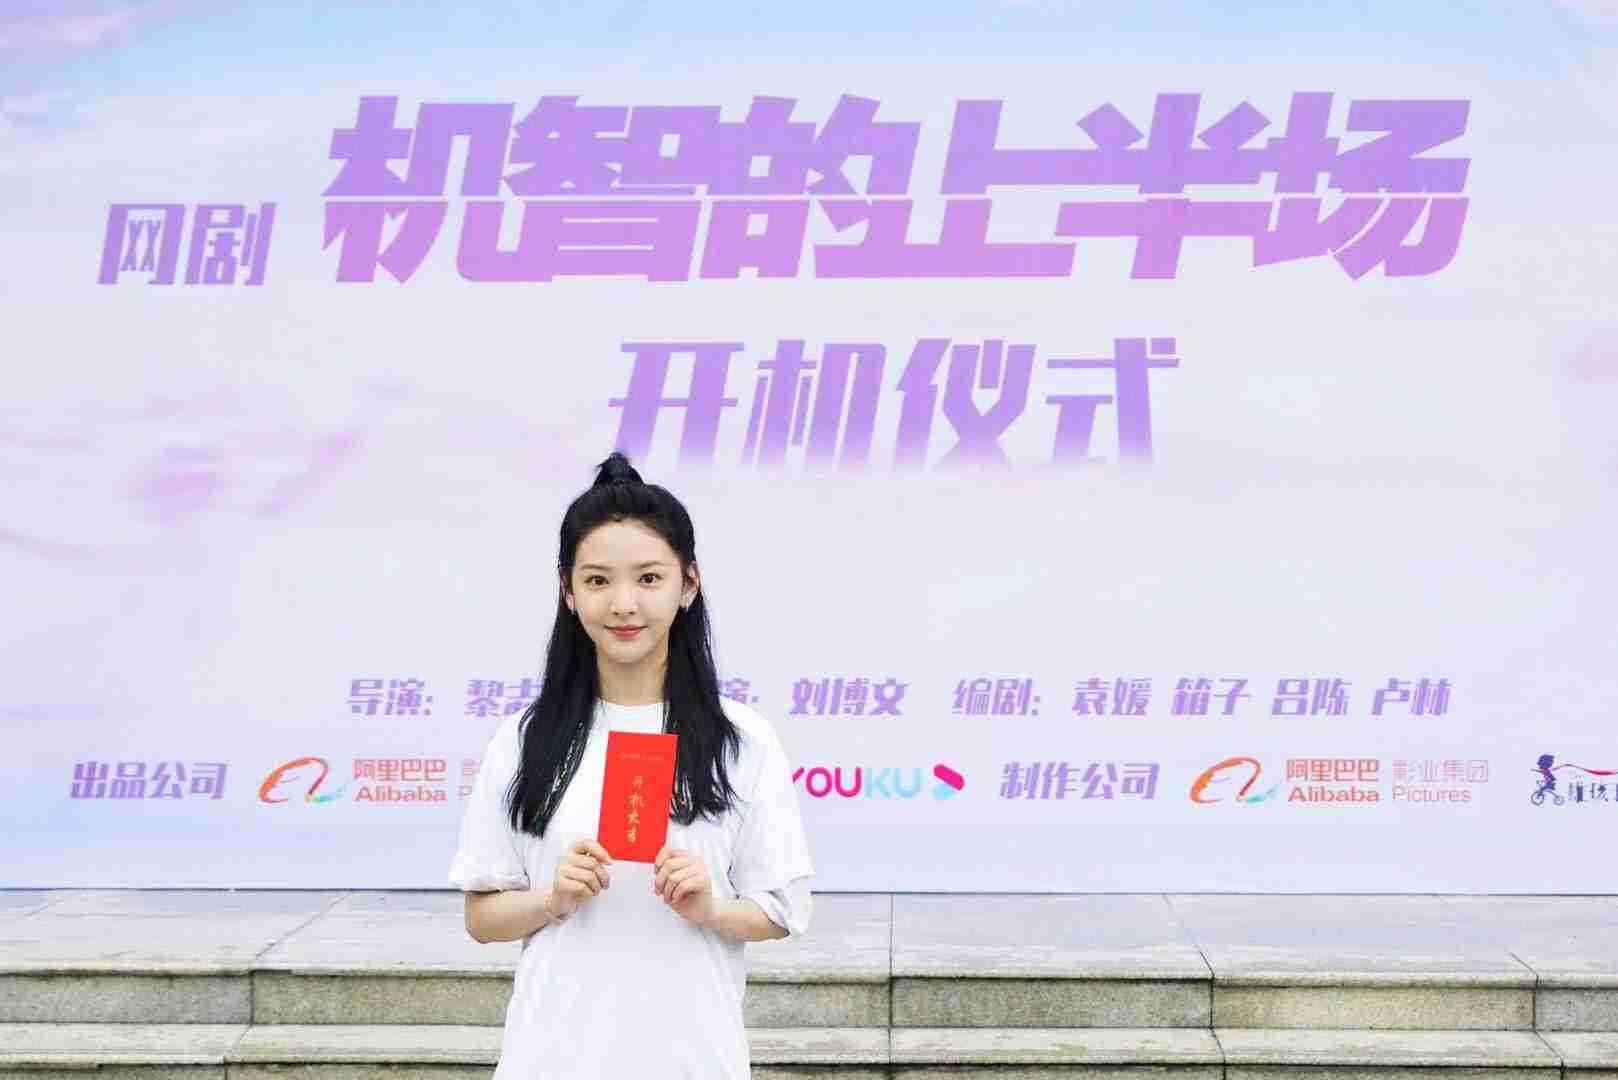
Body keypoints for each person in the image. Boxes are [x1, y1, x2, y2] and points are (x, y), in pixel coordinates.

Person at [449, 451, 813, 1079]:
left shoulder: (742, 740)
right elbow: (482, 918)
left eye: (648, 578)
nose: (623, 604)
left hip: (692, 1059)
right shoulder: (524, 739)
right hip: (551, 1059)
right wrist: (553, 898)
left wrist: (710, 907)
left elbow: (781, 911)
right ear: (568, 591)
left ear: (688, 584)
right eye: (597, 581)